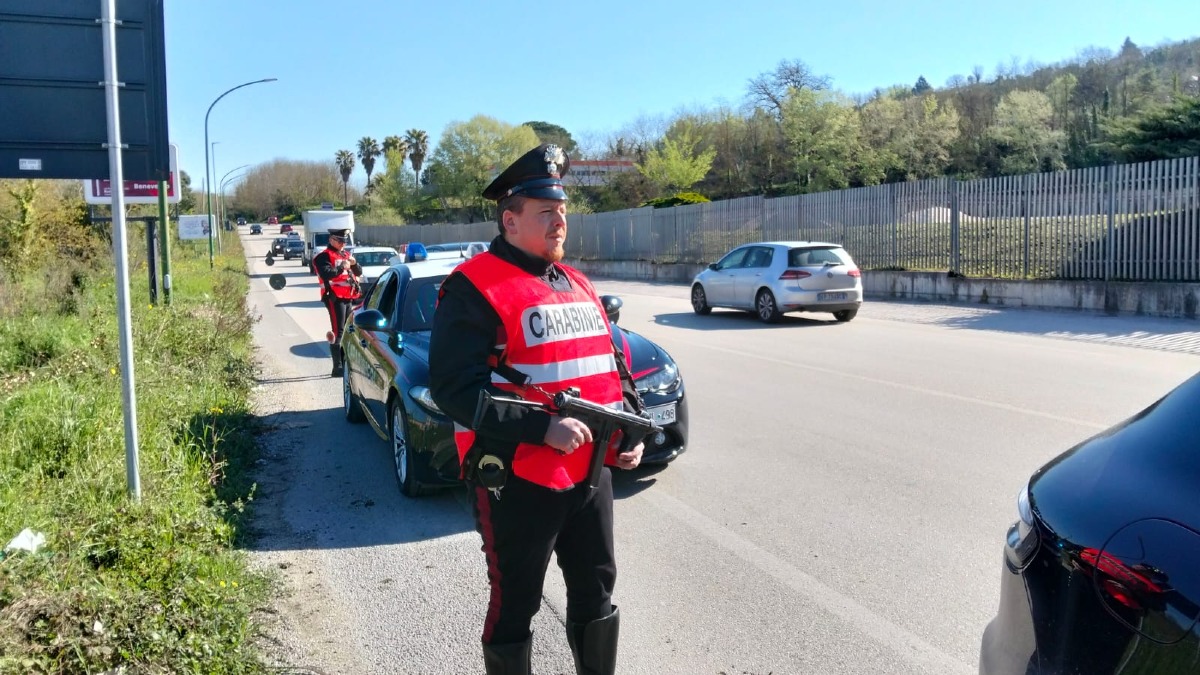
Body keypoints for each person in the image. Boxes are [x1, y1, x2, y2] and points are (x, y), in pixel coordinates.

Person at [429, 144, 645, 675]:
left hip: (589, 475)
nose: (559, 224)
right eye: (546, 213)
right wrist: (540, 428)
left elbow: (613, 363)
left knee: (597, 592)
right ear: (510, 219)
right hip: (519, 477)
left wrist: (631, 427)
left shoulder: (577, 283)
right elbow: (453, 389)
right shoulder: (473, 287)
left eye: (563, 213)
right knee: (517, 604)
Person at [312, 228, 362, 377]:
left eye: (344, 241)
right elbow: (326, 273)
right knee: (338, 330)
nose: (342, 244)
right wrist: (342, 267)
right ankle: (337, 367)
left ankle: (346, 362)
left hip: (347, 297)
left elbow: (358, 272)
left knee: (348, 330)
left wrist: (354, 264)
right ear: (331, 240)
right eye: (340, 241)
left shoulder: (345, 255)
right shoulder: (323, 256)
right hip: (333, 297)